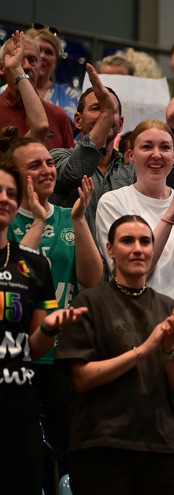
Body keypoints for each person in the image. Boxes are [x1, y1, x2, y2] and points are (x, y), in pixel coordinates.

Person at [56, 214, 174, 495]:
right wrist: (143, 350)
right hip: (102, 448)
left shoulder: (172, 310)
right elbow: (82, 378)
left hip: (163, 450)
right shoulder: (88, 303)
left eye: (145, 241)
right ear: (109, 249)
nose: (138, 249)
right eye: (127, 241)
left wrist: (168, 351)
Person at [95, 120, 174, 477]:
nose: (156, 154)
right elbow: (136, 272)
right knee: (141, 455)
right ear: (130, 155)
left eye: (165, 147)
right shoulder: (114, 202)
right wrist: (172, 211)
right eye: (146, 146)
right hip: (134, 336)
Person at [0, 161, 84, 495]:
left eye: (10, 193)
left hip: (19, 408)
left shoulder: (34, 265)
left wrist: (50, 328)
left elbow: (34, 348)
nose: (4, 199)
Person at [3, 133, 102, 456]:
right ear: (15, 176)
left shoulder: (68, 216)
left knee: (71, 446)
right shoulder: (6, 222)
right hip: (17, 355)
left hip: (63, 353)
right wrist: (37, 222)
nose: (47, 170)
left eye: (49, 162)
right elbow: (14, 277)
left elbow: (92, 279)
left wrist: (79, 220)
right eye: (35, 165)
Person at [49, 67, 174, 239]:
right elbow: (75, 172)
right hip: (72, 255)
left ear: (121, 124)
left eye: (111, 111)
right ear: (78, 120)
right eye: (96, 108)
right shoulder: (55, 158)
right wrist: (108, 112)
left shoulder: (132, 171)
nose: (105, 115)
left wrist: (173, 124)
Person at [0, 31, 74, 150]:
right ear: (2, 68)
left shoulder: (60, 117)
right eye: (18, 59)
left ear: (40, 68)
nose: (26, 66)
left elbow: (71, 162)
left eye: (32, 60)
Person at [25, 27, 79, 121]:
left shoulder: (73, 97)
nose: (42, 56)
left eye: (48, 52)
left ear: (56, 61)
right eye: (38, 50)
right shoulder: (6, 91)